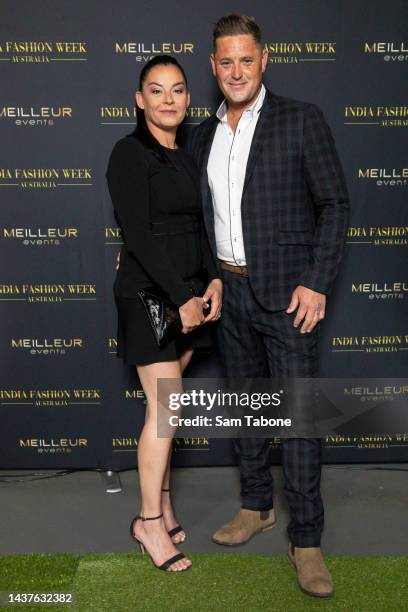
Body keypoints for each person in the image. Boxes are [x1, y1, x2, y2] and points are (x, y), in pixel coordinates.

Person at [186, 14, 349, 597]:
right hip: (229, 297)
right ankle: (256, 506)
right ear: (213, 66)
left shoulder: (300, 120)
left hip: (288, 297)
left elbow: (334, 204)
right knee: (247, 409)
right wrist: (210, 277)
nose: (236, 71)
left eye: (246, 60)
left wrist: (317, 281)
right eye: (225, 62)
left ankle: (306, 540)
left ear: (264, 60)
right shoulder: (202, 134)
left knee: (300, 419)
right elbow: (203, 221)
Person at [106, 55, 223, 572]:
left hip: (192, 295)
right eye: (156, 91)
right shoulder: (128, 153)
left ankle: (165, 504)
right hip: (150, 296)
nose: (168, 99)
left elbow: (203, 226)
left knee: (167, 411)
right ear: (140, 99)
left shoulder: (191, 153)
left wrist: (214, 278)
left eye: (177, 90)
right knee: (168, 408)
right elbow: (138, 235)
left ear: (188, 98)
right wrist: (181, 297)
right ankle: (148, 523)